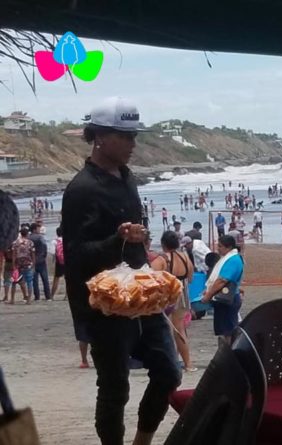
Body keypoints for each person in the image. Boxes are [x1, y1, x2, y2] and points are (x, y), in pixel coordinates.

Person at [61, 97, 180, 445]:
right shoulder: (81, 189)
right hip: (105, 305)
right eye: (125, 137)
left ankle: (142, 441)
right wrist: (118, 238)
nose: (132, 144)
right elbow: (77, 255)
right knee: (115, 388)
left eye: (133, 136)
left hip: (141, 295)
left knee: (169, 372)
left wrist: (141, 242)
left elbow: (133, 238)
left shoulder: (127, 179)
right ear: (99, 137)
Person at [151, 231, 196, 372]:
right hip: (183, 293)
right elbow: (190, 278)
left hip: (168, 296)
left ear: (163, 244)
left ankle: (172, 362)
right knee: (180, 329)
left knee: (168, 330)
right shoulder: (184, 257)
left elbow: (153, 280)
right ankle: (187, 363)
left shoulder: (162, 259)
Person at [200, 235, 244, 343]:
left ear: (228, 247)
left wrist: (208, 295)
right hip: (227, 298)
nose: (218, 248)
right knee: (225, 330)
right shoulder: (230, 259)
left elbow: (222, 280)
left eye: (220, 246)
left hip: (228, 299)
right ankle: (227, 352)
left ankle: (229, 353)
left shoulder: (233, 260)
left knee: (228, 331)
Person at [11, 226, 34, 304]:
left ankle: (12, 299)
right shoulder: (30, 242)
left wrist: (13, 265)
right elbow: (32, 253)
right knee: (29, 282)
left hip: (18, 265)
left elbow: (13, 255)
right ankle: (29, 300)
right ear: (27, 234)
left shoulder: (15, 243)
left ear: (20, 233)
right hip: (28, 264)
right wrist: (33, 263)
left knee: (14, 281)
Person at [29, 223, 51, 301]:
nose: (39, 230)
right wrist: (44, 255)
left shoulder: (29, 238)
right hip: (41, 260)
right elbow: (45, 246)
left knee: (35, 280)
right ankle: (48, 296)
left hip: (32, 261)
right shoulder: (40, 237)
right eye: (38, 228)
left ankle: (37, 296)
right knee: (45, 279)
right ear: (34, 229)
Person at [50, 226, 66, 299]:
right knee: (67, 280)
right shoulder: (67, 240)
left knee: (56, 279)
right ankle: (66, 296)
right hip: (67, 262)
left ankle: (52, 296)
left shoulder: (54, 241)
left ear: (57, 233)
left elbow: (53, 252)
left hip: (59, 262)